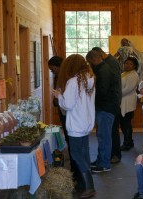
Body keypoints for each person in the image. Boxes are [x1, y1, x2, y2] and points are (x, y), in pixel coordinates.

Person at [51, 54, 96, 199]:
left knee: (77, 154)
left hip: (76, 124)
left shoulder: (73, 81)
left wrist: (59, 96)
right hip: (86, 122)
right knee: (84, 153)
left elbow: (68, 105)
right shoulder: (89, 79)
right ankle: (87, 185)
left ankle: (89, 187)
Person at [48, 56, 83, 187]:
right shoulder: (63, 77)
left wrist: (59, 98)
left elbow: (67, 101)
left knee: (74, 145)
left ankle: (77, 173)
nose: (53, 72)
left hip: (70, 114)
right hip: (65, 113)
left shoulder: (69, 79)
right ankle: (75, 171)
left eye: (53, 69)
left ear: (59, 66)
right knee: (70, 143)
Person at [86, 50, 121, 172]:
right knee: (101, 135)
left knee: (104, 136)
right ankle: (101, 159)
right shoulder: (103, 68)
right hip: (106, 106)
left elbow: (102, 91)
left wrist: (90, 95)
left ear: (94, 59)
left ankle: (104, 163)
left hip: (106, 107)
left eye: (90, 62)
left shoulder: (104, 70)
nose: (90, 65)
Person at [120, 56, 140, 151]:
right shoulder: (124, 73)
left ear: (135, 66)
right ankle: (129, 141)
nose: (127, 65)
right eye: (126, 63)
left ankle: (127, 143)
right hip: (123, 101)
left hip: (128, 101)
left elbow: (128, 89)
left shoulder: (133, 75)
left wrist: (116, 93)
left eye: (130, 64)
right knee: (124, 123)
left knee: (126, 123)